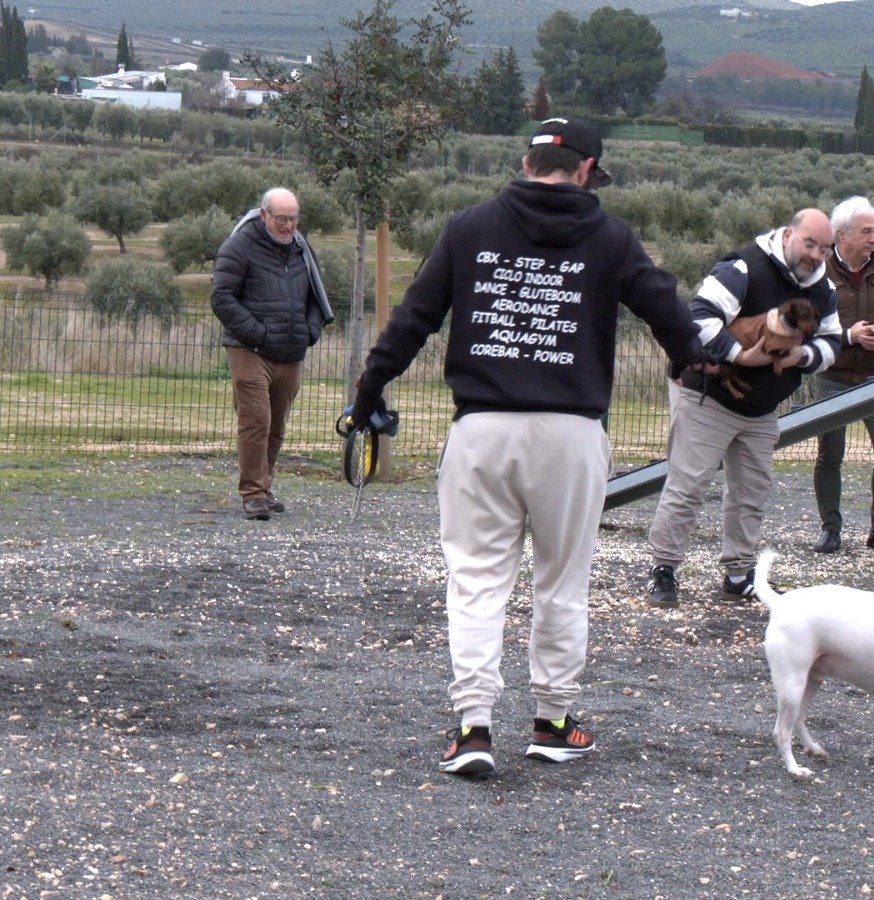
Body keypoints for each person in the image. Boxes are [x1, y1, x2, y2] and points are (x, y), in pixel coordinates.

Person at [348, 118, 706, 778]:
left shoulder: (468, 228)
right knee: (561, 583)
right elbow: (667, 309)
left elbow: (412, 319)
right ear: (585, 169)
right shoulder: (609, 235)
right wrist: (691, 360)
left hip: (482, 428)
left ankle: (472, 728)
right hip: (570, 434)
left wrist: (369, 393)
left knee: (477, 581)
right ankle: (553, 722)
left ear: (525, 160)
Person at [646, 209, 843, 608]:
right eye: (810, 244)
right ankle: (663, 569)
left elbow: (833, 342)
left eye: (825, 248)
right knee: (688, 487)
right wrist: (740, 355)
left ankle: (739, 574)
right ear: (789, 235)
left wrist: (801, 356)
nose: (817, 256)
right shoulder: (743, 267)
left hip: (762, 406)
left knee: (751, 492)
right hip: (709, 397)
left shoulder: (824, 290)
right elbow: (698, 317)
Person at [210, 187, 334, 521]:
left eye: (293, 219)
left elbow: (315, 299)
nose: (288, 226)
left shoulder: (301, 249)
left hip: (290, 351)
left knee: (276, 424)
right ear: (263, 215)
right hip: (248, 349)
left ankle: (264, 486)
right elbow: (221, 297)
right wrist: (258, 332)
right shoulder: (239, 247)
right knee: (256, 420)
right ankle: (252, 493)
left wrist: (311, 330)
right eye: (281, 218)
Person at [810, 196, 874, 558]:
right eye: (867, 232)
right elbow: (805, 326)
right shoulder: (818, 274)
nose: (873, 238)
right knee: (829, 454)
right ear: (842, 236)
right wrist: (849, 336)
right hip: (832, 377)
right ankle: (830, 530)